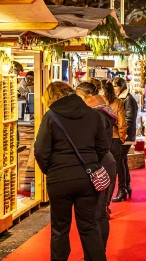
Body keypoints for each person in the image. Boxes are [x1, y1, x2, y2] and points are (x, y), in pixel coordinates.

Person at [35, 82, 108, 261]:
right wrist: (91, 163)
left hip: (59, 178)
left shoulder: (50, 116)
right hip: (87, 178)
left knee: (60, 228)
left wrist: (50, 170)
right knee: (89, 226)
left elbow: (40, 151)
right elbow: (103, 147)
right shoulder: (93, 115)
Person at [74, 82, 117, 251]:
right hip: (105, 162)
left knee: (95, 214)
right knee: (99, 213)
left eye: (79, 98)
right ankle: (99, 253)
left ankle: (96, 255)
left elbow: (90, 142)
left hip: (100, 164)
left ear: (89, 97)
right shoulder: (103, 110)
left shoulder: (95, 114)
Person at [102, 81, 128, 202]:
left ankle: (101, 199)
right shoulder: (118, 102)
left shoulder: (98, 102)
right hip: (114, 138)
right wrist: (121, 138)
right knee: (113, 170)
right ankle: (107, 201)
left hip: (102, 138)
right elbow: (122, 123)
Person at [114, 77, 138, 202]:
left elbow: (129, 119)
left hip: (126, 136)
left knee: (119, 160)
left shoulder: (128, 99)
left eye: (116, 86)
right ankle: (126, 187)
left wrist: (123, 135)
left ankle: (122, 188)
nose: (114, 88)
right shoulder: (124, 98)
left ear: (121, 86)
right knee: (122, 161)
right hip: (124, 135)